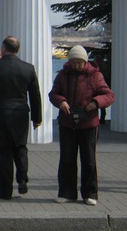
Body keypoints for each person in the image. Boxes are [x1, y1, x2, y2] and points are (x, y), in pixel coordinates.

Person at [49, 45, 114, 206]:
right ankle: (67, 192)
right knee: (67, 159)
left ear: (85, 61)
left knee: (89, 160)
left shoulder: (95, 75)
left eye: (79, 62)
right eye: (74, 62)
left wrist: (95, 103)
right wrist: (61, 102)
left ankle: (90, 193)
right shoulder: (63, 75)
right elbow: (53, 93)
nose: (77, 65)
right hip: (67, 122)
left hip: (88, 123)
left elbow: (108, 95)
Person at [0, 36, 42, 200]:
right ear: (18, 50)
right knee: (20, 147)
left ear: (3, 49)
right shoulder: (28, 68)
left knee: (4, 153)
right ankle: (22, 179)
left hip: (0, 113)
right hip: (21, 113)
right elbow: (35, 95)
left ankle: (6, 191)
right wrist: (37, 117)